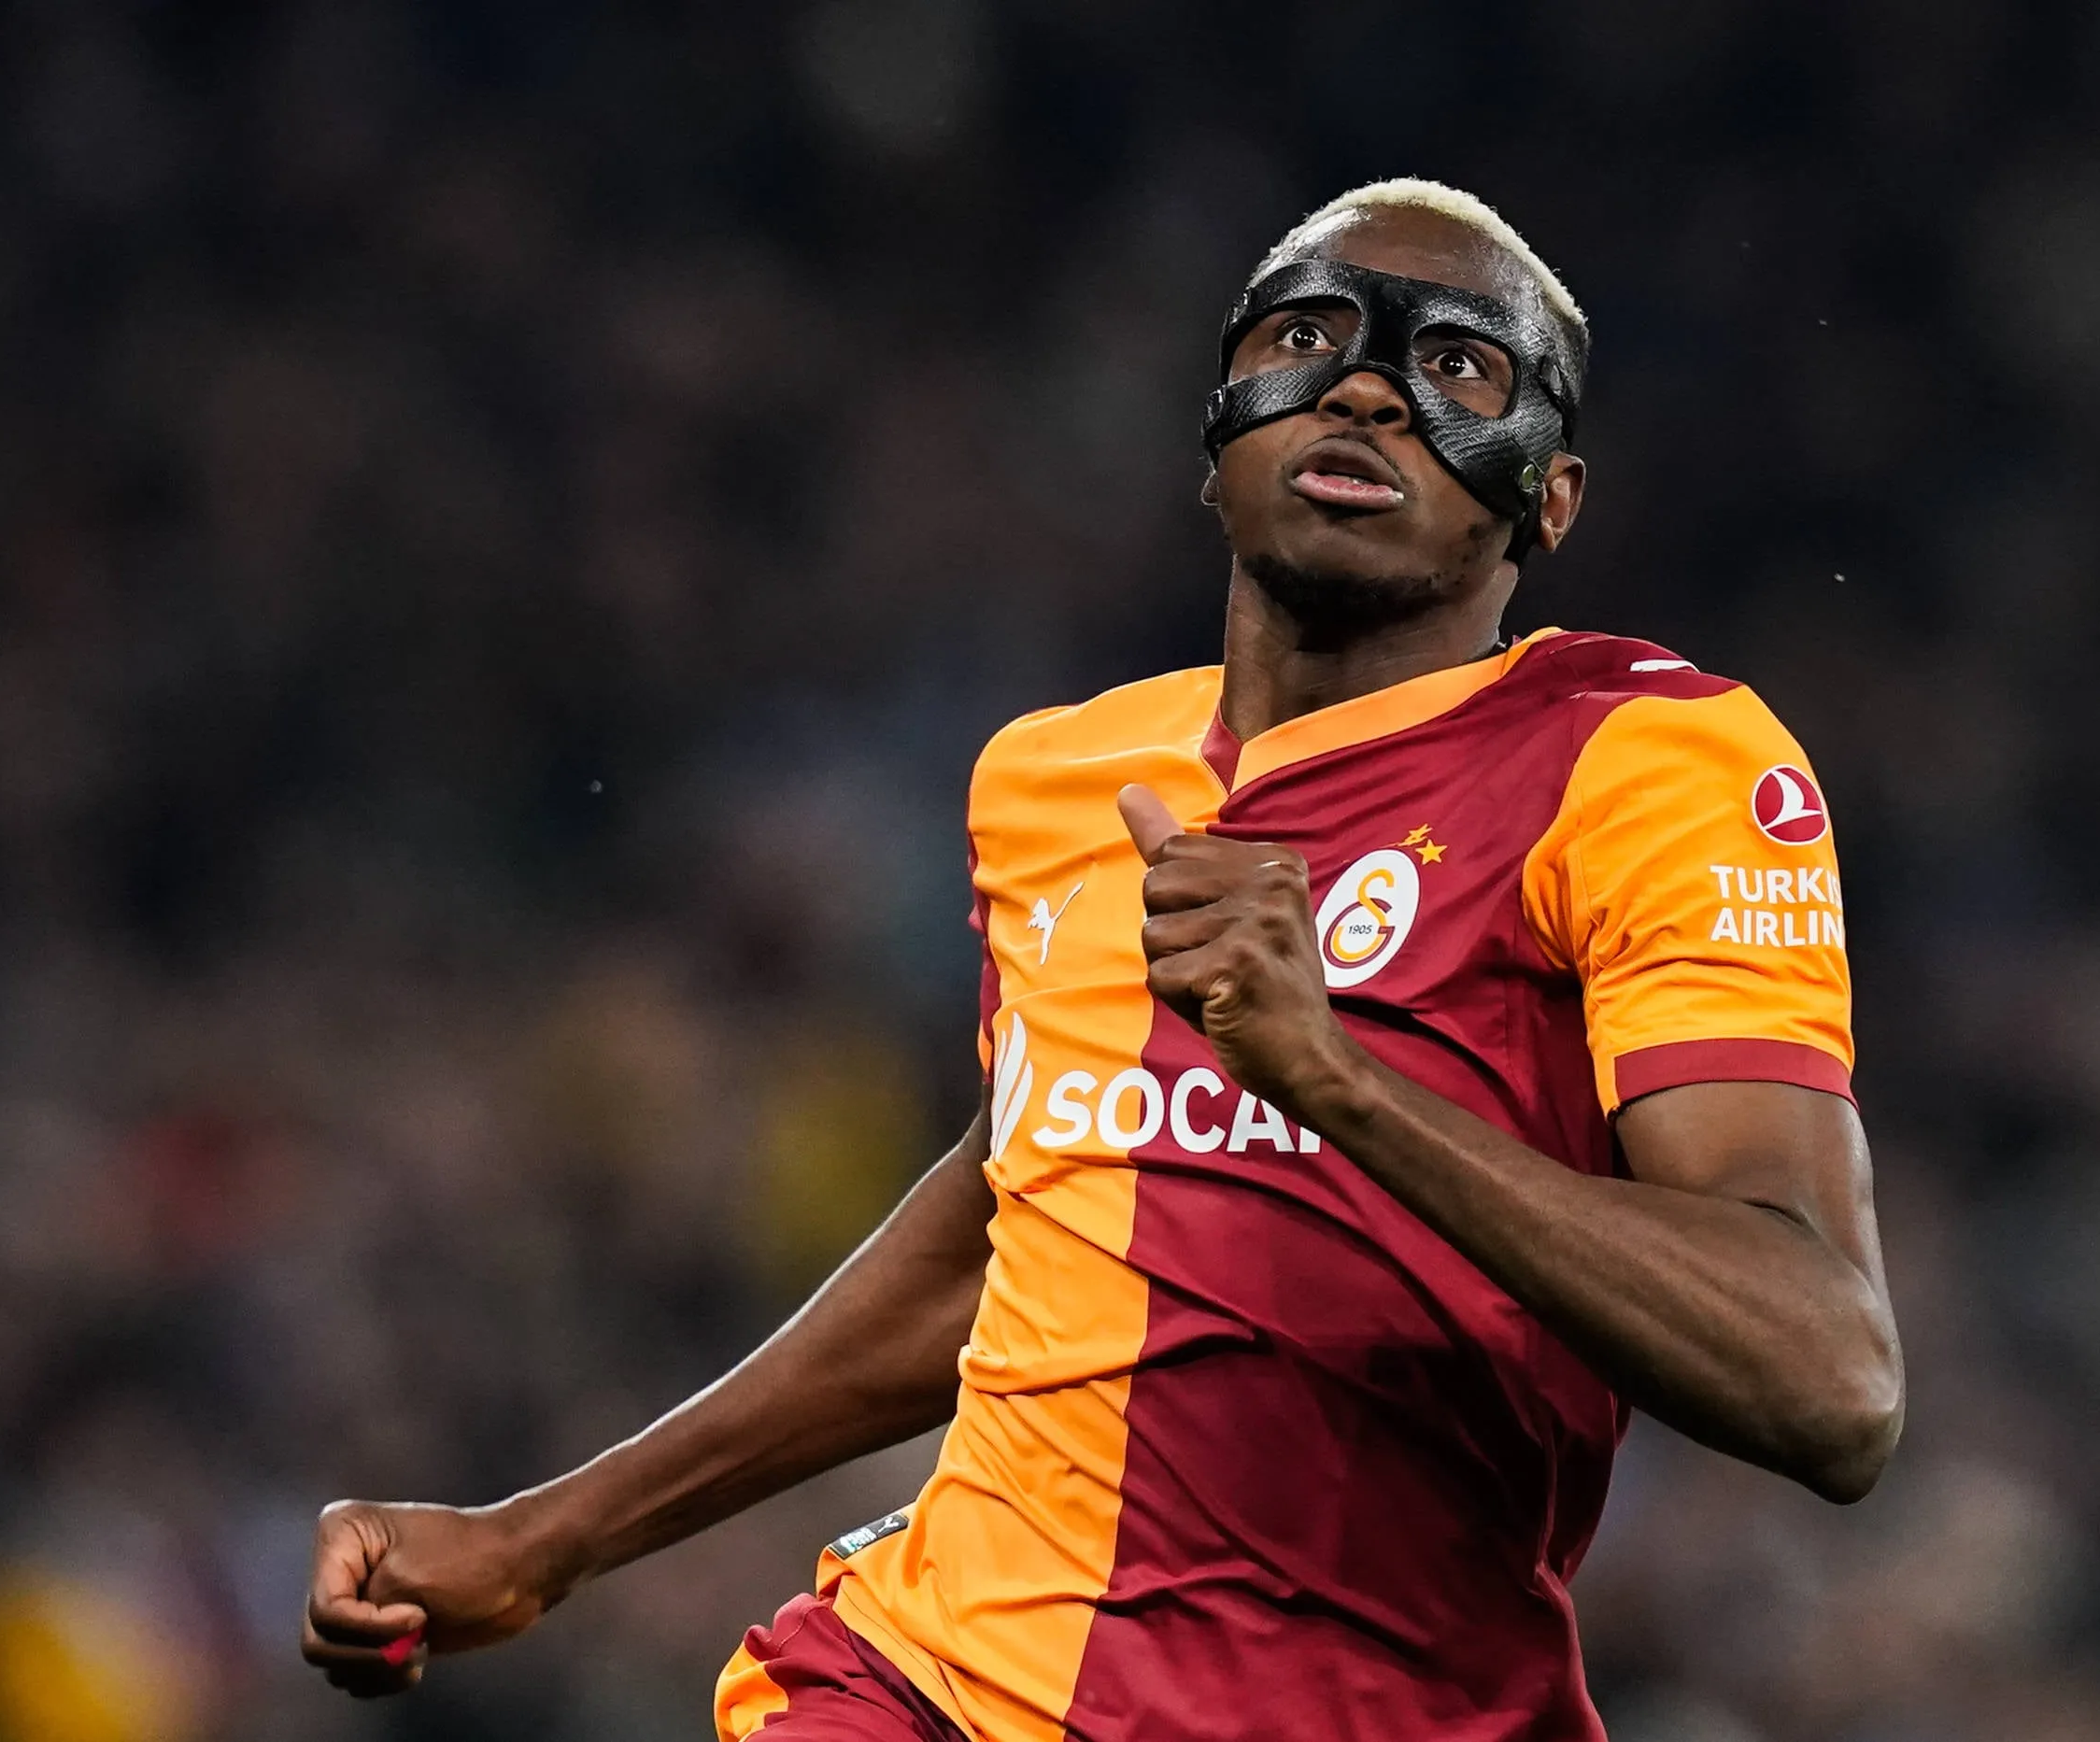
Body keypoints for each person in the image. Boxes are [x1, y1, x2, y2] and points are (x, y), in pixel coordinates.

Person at [301, 178, 1904, 1741]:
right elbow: (1023, 1216)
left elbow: (1826, 1383)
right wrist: (546, 1539)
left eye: (1456, 366)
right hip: (936, 1684)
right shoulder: (1055, 778)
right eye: (1308, 337)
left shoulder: (1644, 764)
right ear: (1219, 435)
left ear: (1548, 498)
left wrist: (1333, 1078)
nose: (1363, 389)